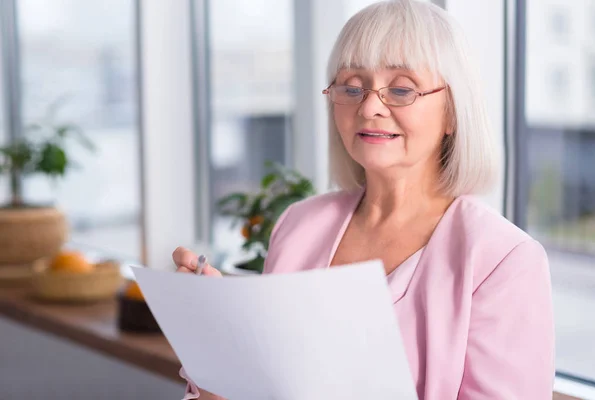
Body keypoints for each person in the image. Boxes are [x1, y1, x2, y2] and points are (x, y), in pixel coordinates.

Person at [173, 0, 555, 398]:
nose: (370, 106)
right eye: (352, 87)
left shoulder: (503, 261)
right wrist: (218, 345)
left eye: (402, 89)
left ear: (453, 112)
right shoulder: (298, 224)